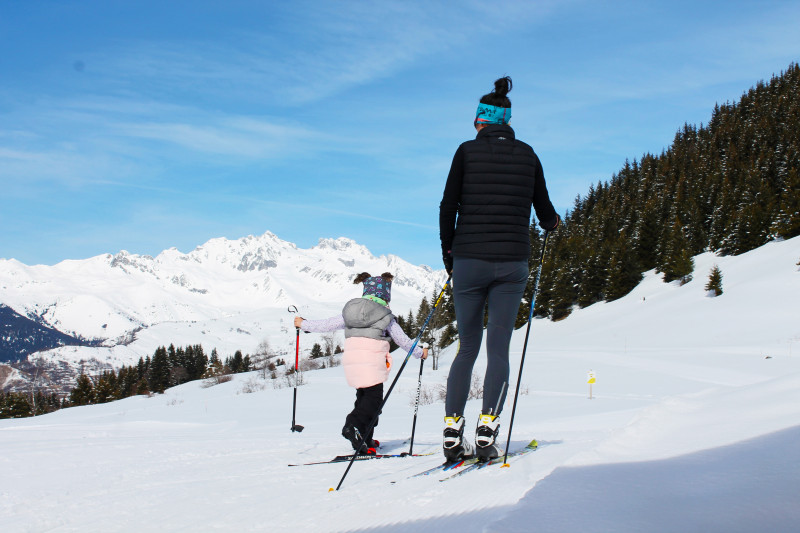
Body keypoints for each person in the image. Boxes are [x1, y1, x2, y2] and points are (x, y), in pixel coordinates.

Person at [438, 76, 560, 462]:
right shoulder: (529, 154)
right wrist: (555, 224)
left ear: (480, 121)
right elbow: (546, 214)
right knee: (499, 348)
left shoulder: (465, 152)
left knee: (467, 347)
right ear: (508, 121)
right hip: (512, 263)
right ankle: (489, 424)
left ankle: (453, 427)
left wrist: (449, 255)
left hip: (469, 261)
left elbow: (447, 206)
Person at [293, 272, 428, 454]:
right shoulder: (385, 316)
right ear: (385, 295)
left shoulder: (349, 313)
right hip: (372, 362)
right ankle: (353, 426)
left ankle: (365, 438)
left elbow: (326, 325)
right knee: (373, 401)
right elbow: (402, 340)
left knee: (364, 398)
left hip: (352, 362)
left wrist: (304, 324)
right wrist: (420, 352)